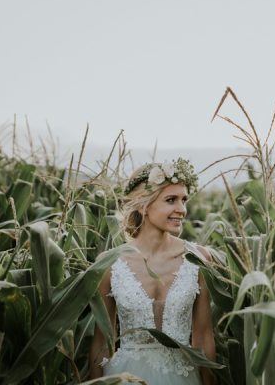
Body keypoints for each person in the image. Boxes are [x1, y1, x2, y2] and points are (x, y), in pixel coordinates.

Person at [90, 158, 215, 385]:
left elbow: (203, 338)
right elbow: (102, 342)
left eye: (184, 200)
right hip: (125, 378)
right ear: (142, 204)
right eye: (171, 200)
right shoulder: (109, 264)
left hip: (183, 378)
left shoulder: (198, 259)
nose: (182, 209)